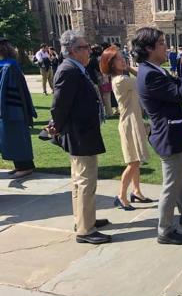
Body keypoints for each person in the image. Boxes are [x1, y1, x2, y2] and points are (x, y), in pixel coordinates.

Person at [133, 27, 182, 245]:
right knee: (172, 184)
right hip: (168, 135)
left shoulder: (154, 69)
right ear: (148, 48)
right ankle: (165, 229)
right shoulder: (149, 74)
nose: (167, 47)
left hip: (175, 132)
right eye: (162, 43)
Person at [51, 30, 111, 244]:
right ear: (75, 51)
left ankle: (84, 219)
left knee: (79, 180)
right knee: (85, 181)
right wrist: (56, 128)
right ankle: (86, 230)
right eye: (86, 47)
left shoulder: (76, 69)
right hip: (79, 134)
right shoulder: (69, 70)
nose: (90, 51)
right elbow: (59, 105)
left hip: (82, 132)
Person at [99, 46, 151, 210]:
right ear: (111, 64)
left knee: (135, 160)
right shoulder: (122, 80)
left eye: (123, 57)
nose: (123, 60)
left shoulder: (121, 78)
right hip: (130, 123)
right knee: (133, 162)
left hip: (132, 121)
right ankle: (121, 196)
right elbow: (145, 82)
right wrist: (130, 68)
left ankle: (136, 191)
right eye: (119, 59)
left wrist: (127, 67)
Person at [0, 37, 37, 179]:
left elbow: (7, 91)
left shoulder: (8, 67)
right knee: (12, 137)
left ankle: (25, 167)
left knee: (17, 137)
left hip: (11, 108)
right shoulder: (8, 65)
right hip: (9, 109)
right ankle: (20, 165)